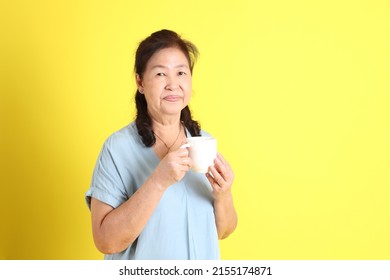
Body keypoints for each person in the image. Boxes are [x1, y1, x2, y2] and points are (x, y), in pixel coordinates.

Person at [85, 29, 237, 260]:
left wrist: (223, 194)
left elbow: (222, 231)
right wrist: (158, 181)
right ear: (140, 81)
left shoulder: (203, 142)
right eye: (160, 74)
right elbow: (106, 241)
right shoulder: (117, 149)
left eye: (181, 73)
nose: (173, 84)